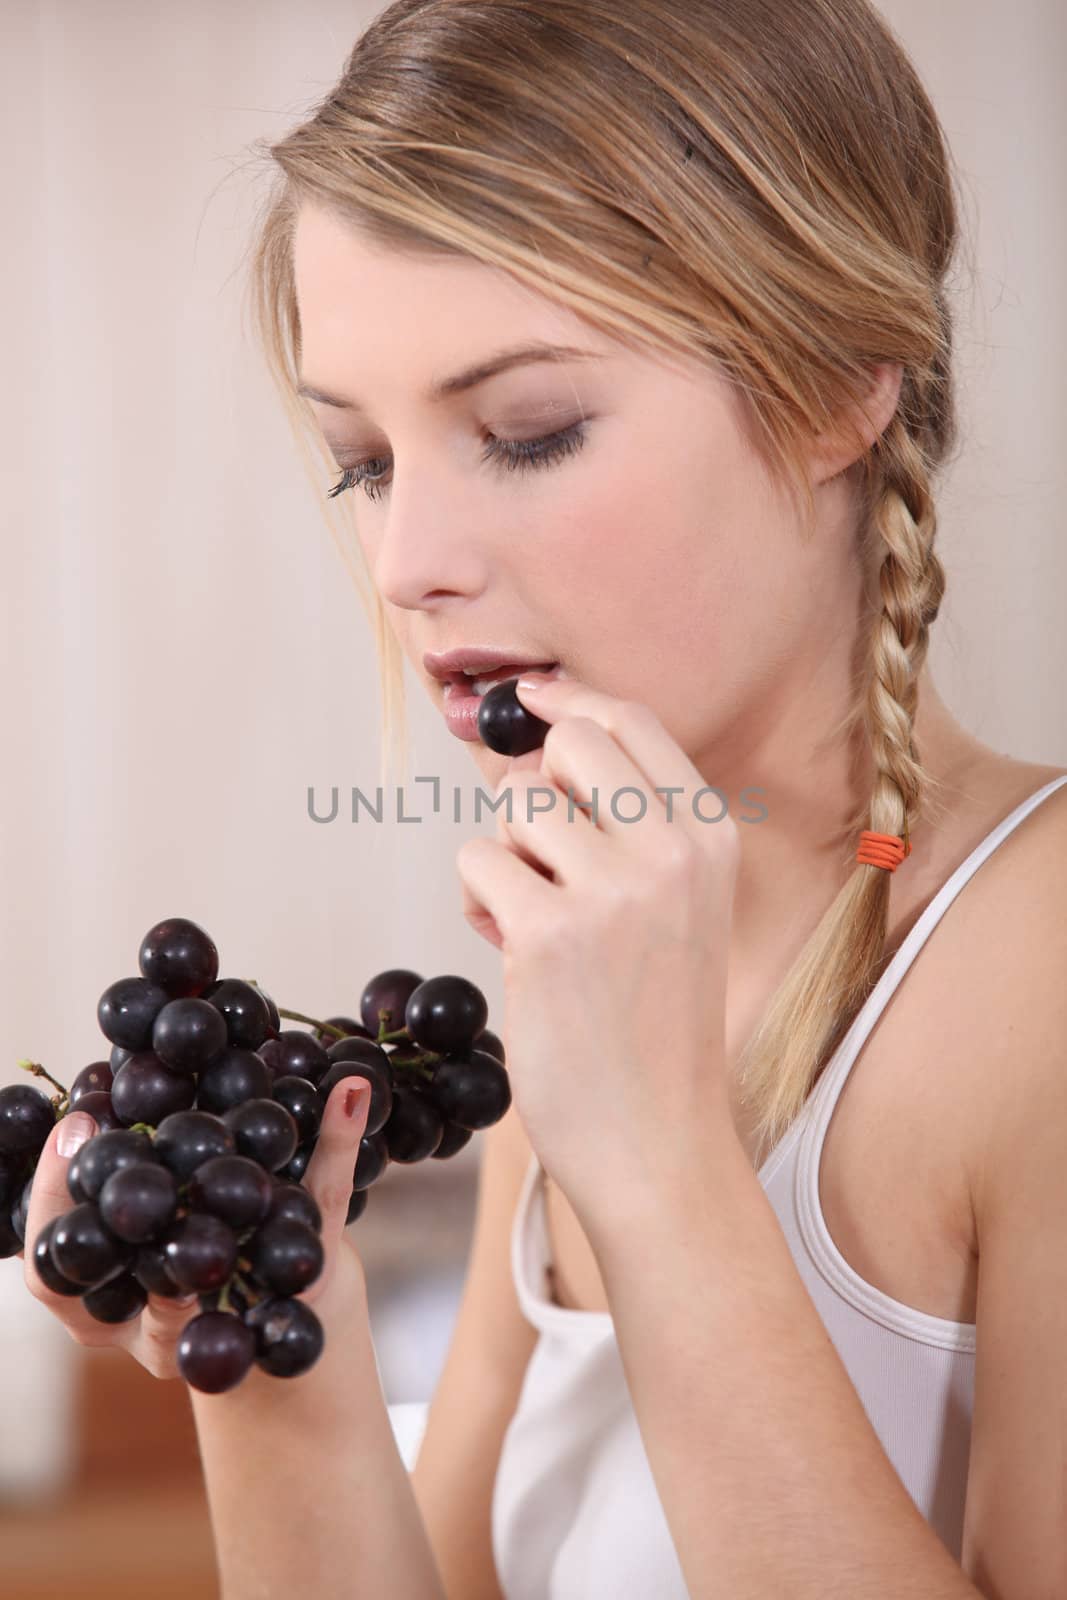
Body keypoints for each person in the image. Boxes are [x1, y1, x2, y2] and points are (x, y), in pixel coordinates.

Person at [22, 1, 1067, 1595]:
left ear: (844, 384)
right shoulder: (601, 970)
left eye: (528, 431)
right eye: (365, 464)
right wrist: (262, 1322)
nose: (403, 564)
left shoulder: (1037, 973)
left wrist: (661, 1173)